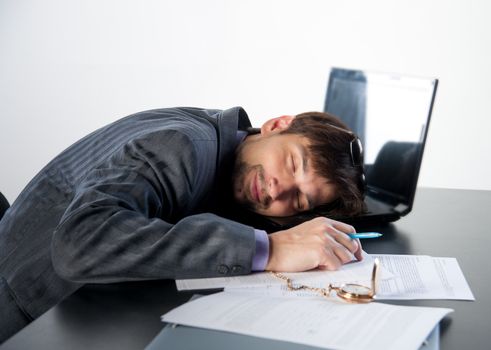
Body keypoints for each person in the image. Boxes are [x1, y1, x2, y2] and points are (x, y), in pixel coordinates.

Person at [0, 106, 365, 343]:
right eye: (291, 164)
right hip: (23, 317)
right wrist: (272, 248)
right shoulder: (183, 146)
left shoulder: (222, 144)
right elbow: (79, 243)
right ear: (276, 125)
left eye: (299, 200)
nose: (278, 189)